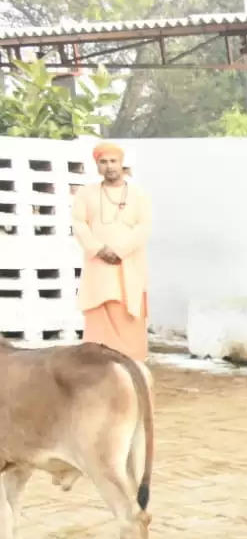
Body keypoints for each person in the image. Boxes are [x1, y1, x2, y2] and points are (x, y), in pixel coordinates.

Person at [70, 140, 153, 370]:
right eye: (103, 162)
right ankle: (97, 371)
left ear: (121, 163)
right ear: (97, 165)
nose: (109, 166)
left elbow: (144, 227)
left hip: (129, 265)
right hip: (99, 266)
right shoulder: (86, 194)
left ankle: (133, 369)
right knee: (100, 314)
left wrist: (120, 251)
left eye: (113, 161)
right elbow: (79, 223)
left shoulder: (138, 195)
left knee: (129, 314)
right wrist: (98, 249)